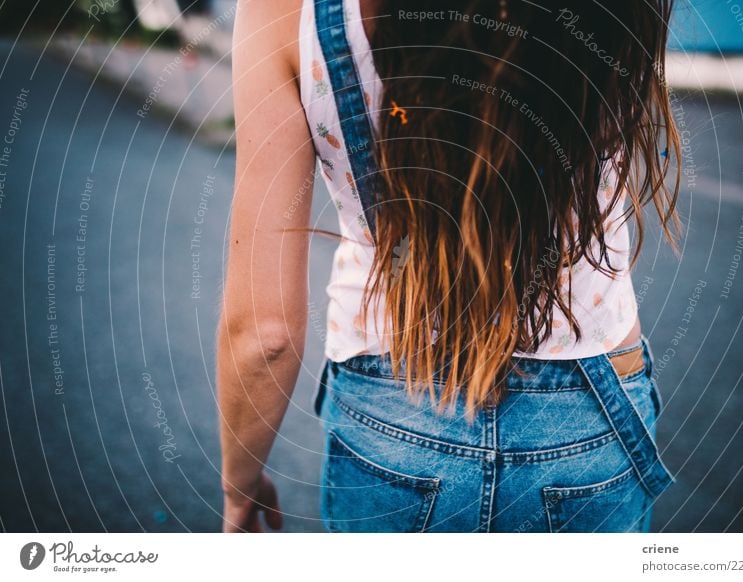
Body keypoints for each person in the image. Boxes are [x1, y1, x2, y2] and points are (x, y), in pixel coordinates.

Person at [218, 0, 681, 533]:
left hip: (393, 409)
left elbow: (264, 334)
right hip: (592, 405)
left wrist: (240, 486)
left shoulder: (280, 13)